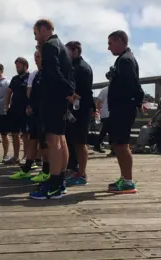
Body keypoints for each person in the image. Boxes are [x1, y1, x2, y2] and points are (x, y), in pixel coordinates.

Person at [29, 19, 75, 200]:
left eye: (35, 34)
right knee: (61, 139)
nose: (35, 38)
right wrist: (69, 90)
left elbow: (54, 72)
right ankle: (59, 180)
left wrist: (68, 91)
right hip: (60, 99)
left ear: (43, 29)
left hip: (53, 98)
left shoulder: (48, 46)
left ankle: (54, 185)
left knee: (53, 140)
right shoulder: (61, 46)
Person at [106, 30, 144, 194]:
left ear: (120, 41)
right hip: (120, 108)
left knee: (122, 144)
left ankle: (128, 181)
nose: (108, 48)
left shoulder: (126, 60)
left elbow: (134, 85)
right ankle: (124, 177)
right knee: (118, 144)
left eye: (110, 43)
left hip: (123, 108)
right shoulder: (123, 60)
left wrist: (138, 101)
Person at [10, 48, 50, 183]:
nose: (36, 59)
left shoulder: (50, 73)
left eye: (39, 57)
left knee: (44, 143)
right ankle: (26, 168)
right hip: (34, 112)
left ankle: (46, 171)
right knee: (32, 139)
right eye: (35, 57)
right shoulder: (35, 74)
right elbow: (29, 93)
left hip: (46, 112)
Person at [65, 41, 94, 186]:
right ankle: (74, 169)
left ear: (75, 51)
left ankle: (82, 174)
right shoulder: (73, 66)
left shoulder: (83, 68)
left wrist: (71, 97)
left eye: (67, 50)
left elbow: (84, 92)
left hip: (81, 110)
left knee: (81, 143)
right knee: (73, 141)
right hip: (73, 111)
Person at [6, 57, 31, 165]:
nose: (17, 68)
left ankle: (26, 156)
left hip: (26, 110)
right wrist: (7, 106)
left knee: (26, 134)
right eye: (16, 66)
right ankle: (16, 156)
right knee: (14, 133)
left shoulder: (31, 77)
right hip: (14, 109)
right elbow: (9, 92)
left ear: (25, 66)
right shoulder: (14, 78)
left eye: (19, 66)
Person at [94, 85, 110, 153]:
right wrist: (98, 112)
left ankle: (97, 145)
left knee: (105, 130)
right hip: (106, 114)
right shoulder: (105, 90)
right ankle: (97, 145)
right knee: (106, 130)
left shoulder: (105, 89)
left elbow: (98, 102)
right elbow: (98, 102)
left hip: (108, 113)